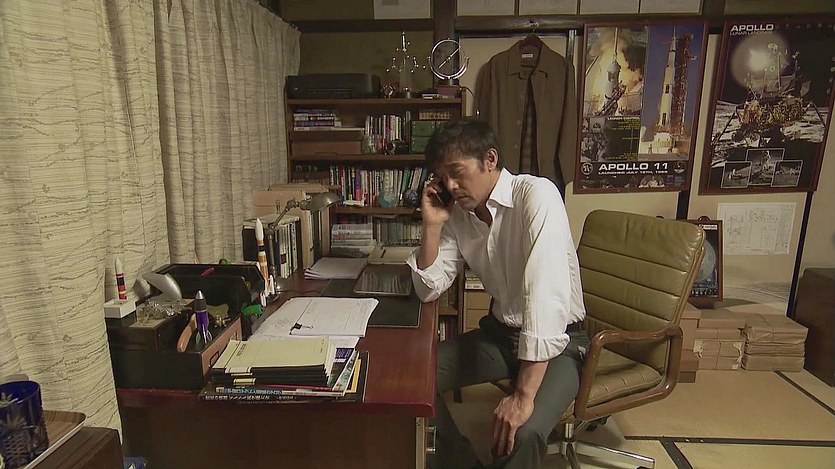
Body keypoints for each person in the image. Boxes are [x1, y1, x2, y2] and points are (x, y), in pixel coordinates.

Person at [406, 118, 589, 469]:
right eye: (442, 177)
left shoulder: (536, 195)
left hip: (560, 343)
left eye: (457, 172)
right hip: (501, 337)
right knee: (411, 381)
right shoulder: (459, 215)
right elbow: (428, 289)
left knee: (524, 431)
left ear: (489, 159)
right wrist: (431, 226)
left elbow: (546, 298)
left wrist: (523, 396)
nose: (451, 185)